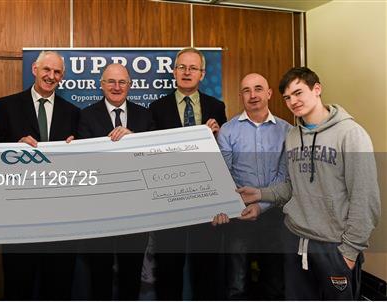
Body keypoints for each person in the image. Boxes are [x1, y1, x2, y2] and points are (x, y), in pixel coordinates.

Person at [233, 67, 380, 300]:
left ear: (317, 89)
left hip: (334, 246)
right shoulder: (292, 136)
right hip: (294, 239)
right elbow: (292, 187)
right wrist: (259, 194)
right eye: (288, 97)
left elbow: (366, 199)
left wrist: (350, 252)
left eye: (298, 93)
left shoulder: (350, 134)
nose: (293, 101)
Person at [0, 50, 80, 300]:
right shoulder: (6, 106)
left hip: (61, 220)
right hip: (19, 219)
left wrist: (77, 147)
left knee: (58, 287)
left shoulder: (73, 112)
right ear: (34, 70)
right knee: (19, 287)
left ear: (62, 76)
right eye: (46, 70)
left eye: (57, 72)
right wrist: (13, 147)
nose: (51, 76)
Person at [149, 47, 227, 300]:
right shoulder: (156, 107)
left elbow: (224, 157)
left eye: (193, 68)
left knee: (206, 272)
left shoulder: (216, 107)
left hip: (206, 203)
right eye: (182, 67)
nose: (187, 72)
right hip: (170, 204)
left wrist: (215, 137)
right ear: (174, 71)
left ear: (202, 74)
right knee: (169, 271)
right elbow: (152, 155)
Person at [77, 63, 154, 300]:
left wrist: (135, 141)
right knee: (99, 277)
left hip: (136, 212)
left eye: (122, 82)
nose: (116, 87)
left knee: (131, 277)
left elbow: (155, 158)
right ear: (101, 85)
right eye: (111, 81)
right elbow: (83, 162)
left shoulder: (145, 115)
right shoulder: (86, 115)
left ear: (130, 86)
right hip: (99, 213)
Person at [214, 73, 291, 299]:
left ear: (268, 93)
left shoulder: (287, 131)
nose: (253, 95)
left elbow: (285, 176)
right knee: (236, 284)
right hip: (239, 216)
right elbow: (224, 174)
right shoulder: (228, 131)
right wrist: (241, 204)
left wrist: (261, 205)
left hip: (275, 216)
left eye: (258, 89)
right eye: (246, 90)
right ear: (241, 96)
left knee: (275, 282)